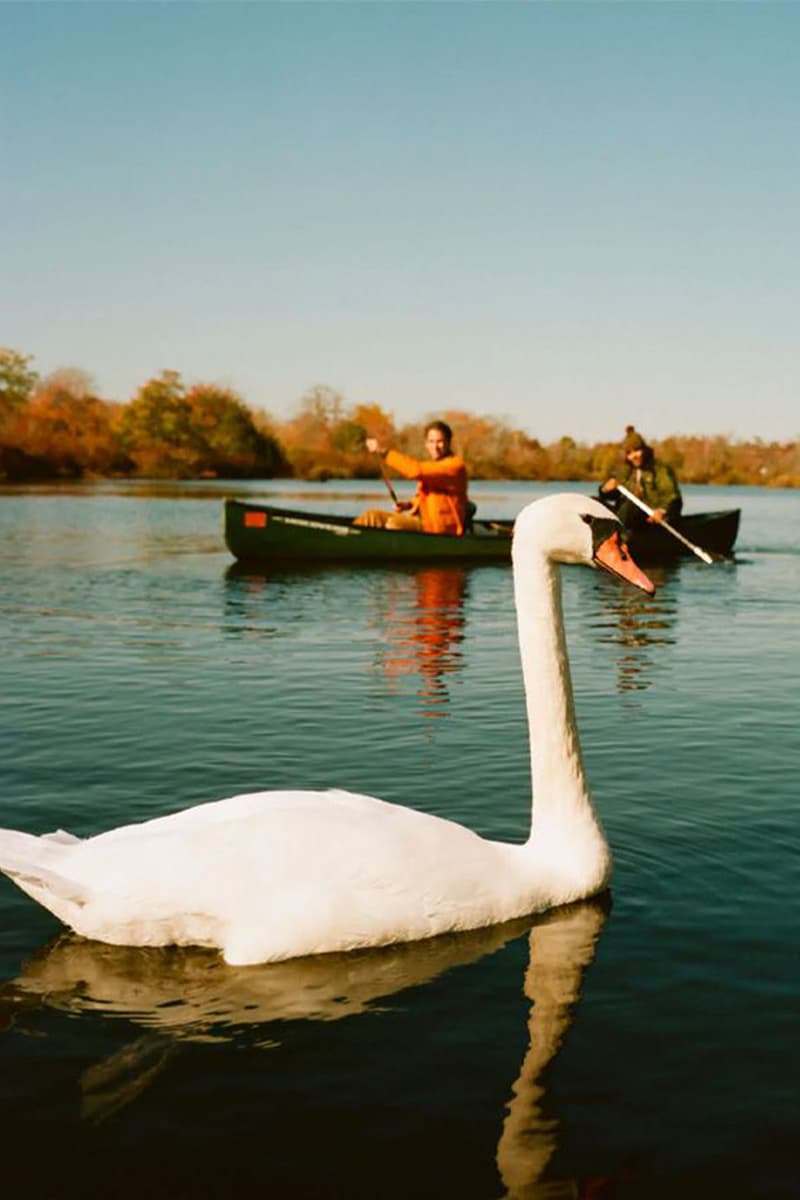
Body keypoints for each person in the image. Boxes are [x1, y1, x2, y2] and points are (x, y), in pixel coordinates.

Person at [354, 420, 470, 535]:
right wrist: (408, 505)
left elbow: (414, 471)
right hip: (423, 521)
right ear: (426, 444)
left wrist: (384, 452)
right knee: (372, 516)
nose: (435, 446)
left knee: (394, 523)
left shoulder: (454, 466)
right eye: (431, 441)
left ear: (448, 442)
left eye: (440, 441)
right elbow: (427, 498)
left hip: (440, 528)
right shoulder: (434, 465)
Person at [600, 426, 682, 530]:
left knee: (631, 504)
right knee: (594, 501)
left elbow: (673, 498)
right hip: (627, 519)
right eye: (629, 453)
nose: (634, 455)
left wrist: (662, 511)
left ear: (644, 450)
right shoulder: (625, 471)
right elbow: (610, 496)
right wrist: (605, 489)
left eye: (637, 450)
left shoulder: (660, 470)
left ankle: (618, 537)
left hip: (650, 518)